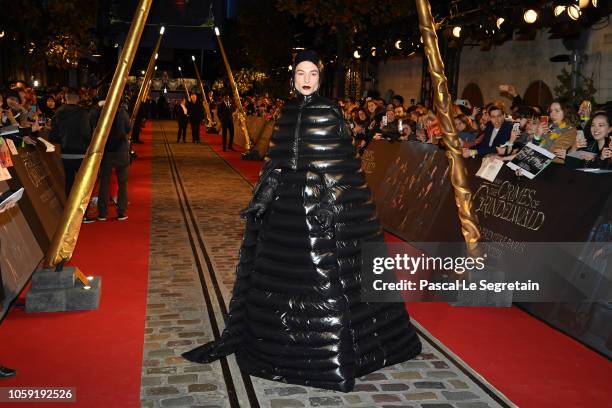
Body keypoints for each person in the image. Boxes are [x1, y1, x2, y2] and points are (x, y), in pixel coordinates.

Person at [182, 50, 421, 392]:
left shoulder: (329, 111)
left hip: (324, 213)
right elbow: (276, 163)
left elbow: (341, 167)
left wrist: (332, 205)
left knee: (330, 281)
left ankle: (336, 355)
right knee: (284, 275)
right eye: (300, 73)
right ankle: (280, 345)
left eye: (312, 73)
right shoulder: (288, 111)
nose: (306, 79)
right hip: (286, 215)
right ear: (292, 77)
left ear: (320, 77)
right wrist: (263, 197)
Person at [89, 85, 131, 221]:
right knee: (122, 182)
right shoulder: (121, 112)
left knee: (104, 182)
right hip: (121, 151)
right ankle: (121, 211)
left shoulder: (100, 112)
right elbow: (128, 128)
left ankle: (102, 212)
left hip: (105, 151)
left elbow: (92, 123)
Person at [49, 89, 92, 197]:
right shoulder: (83, 112)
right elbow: (85, 132)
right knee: (84, 182)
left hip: (65, 152)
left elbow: (53, 135)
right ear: (78, 99)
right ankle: (82, 210)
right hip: (81, 152)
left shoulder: (58, 112)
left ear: (65, 98)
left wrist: (63, 140)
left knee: (69, 181)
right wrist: (89, 144)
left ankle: (69, 208)